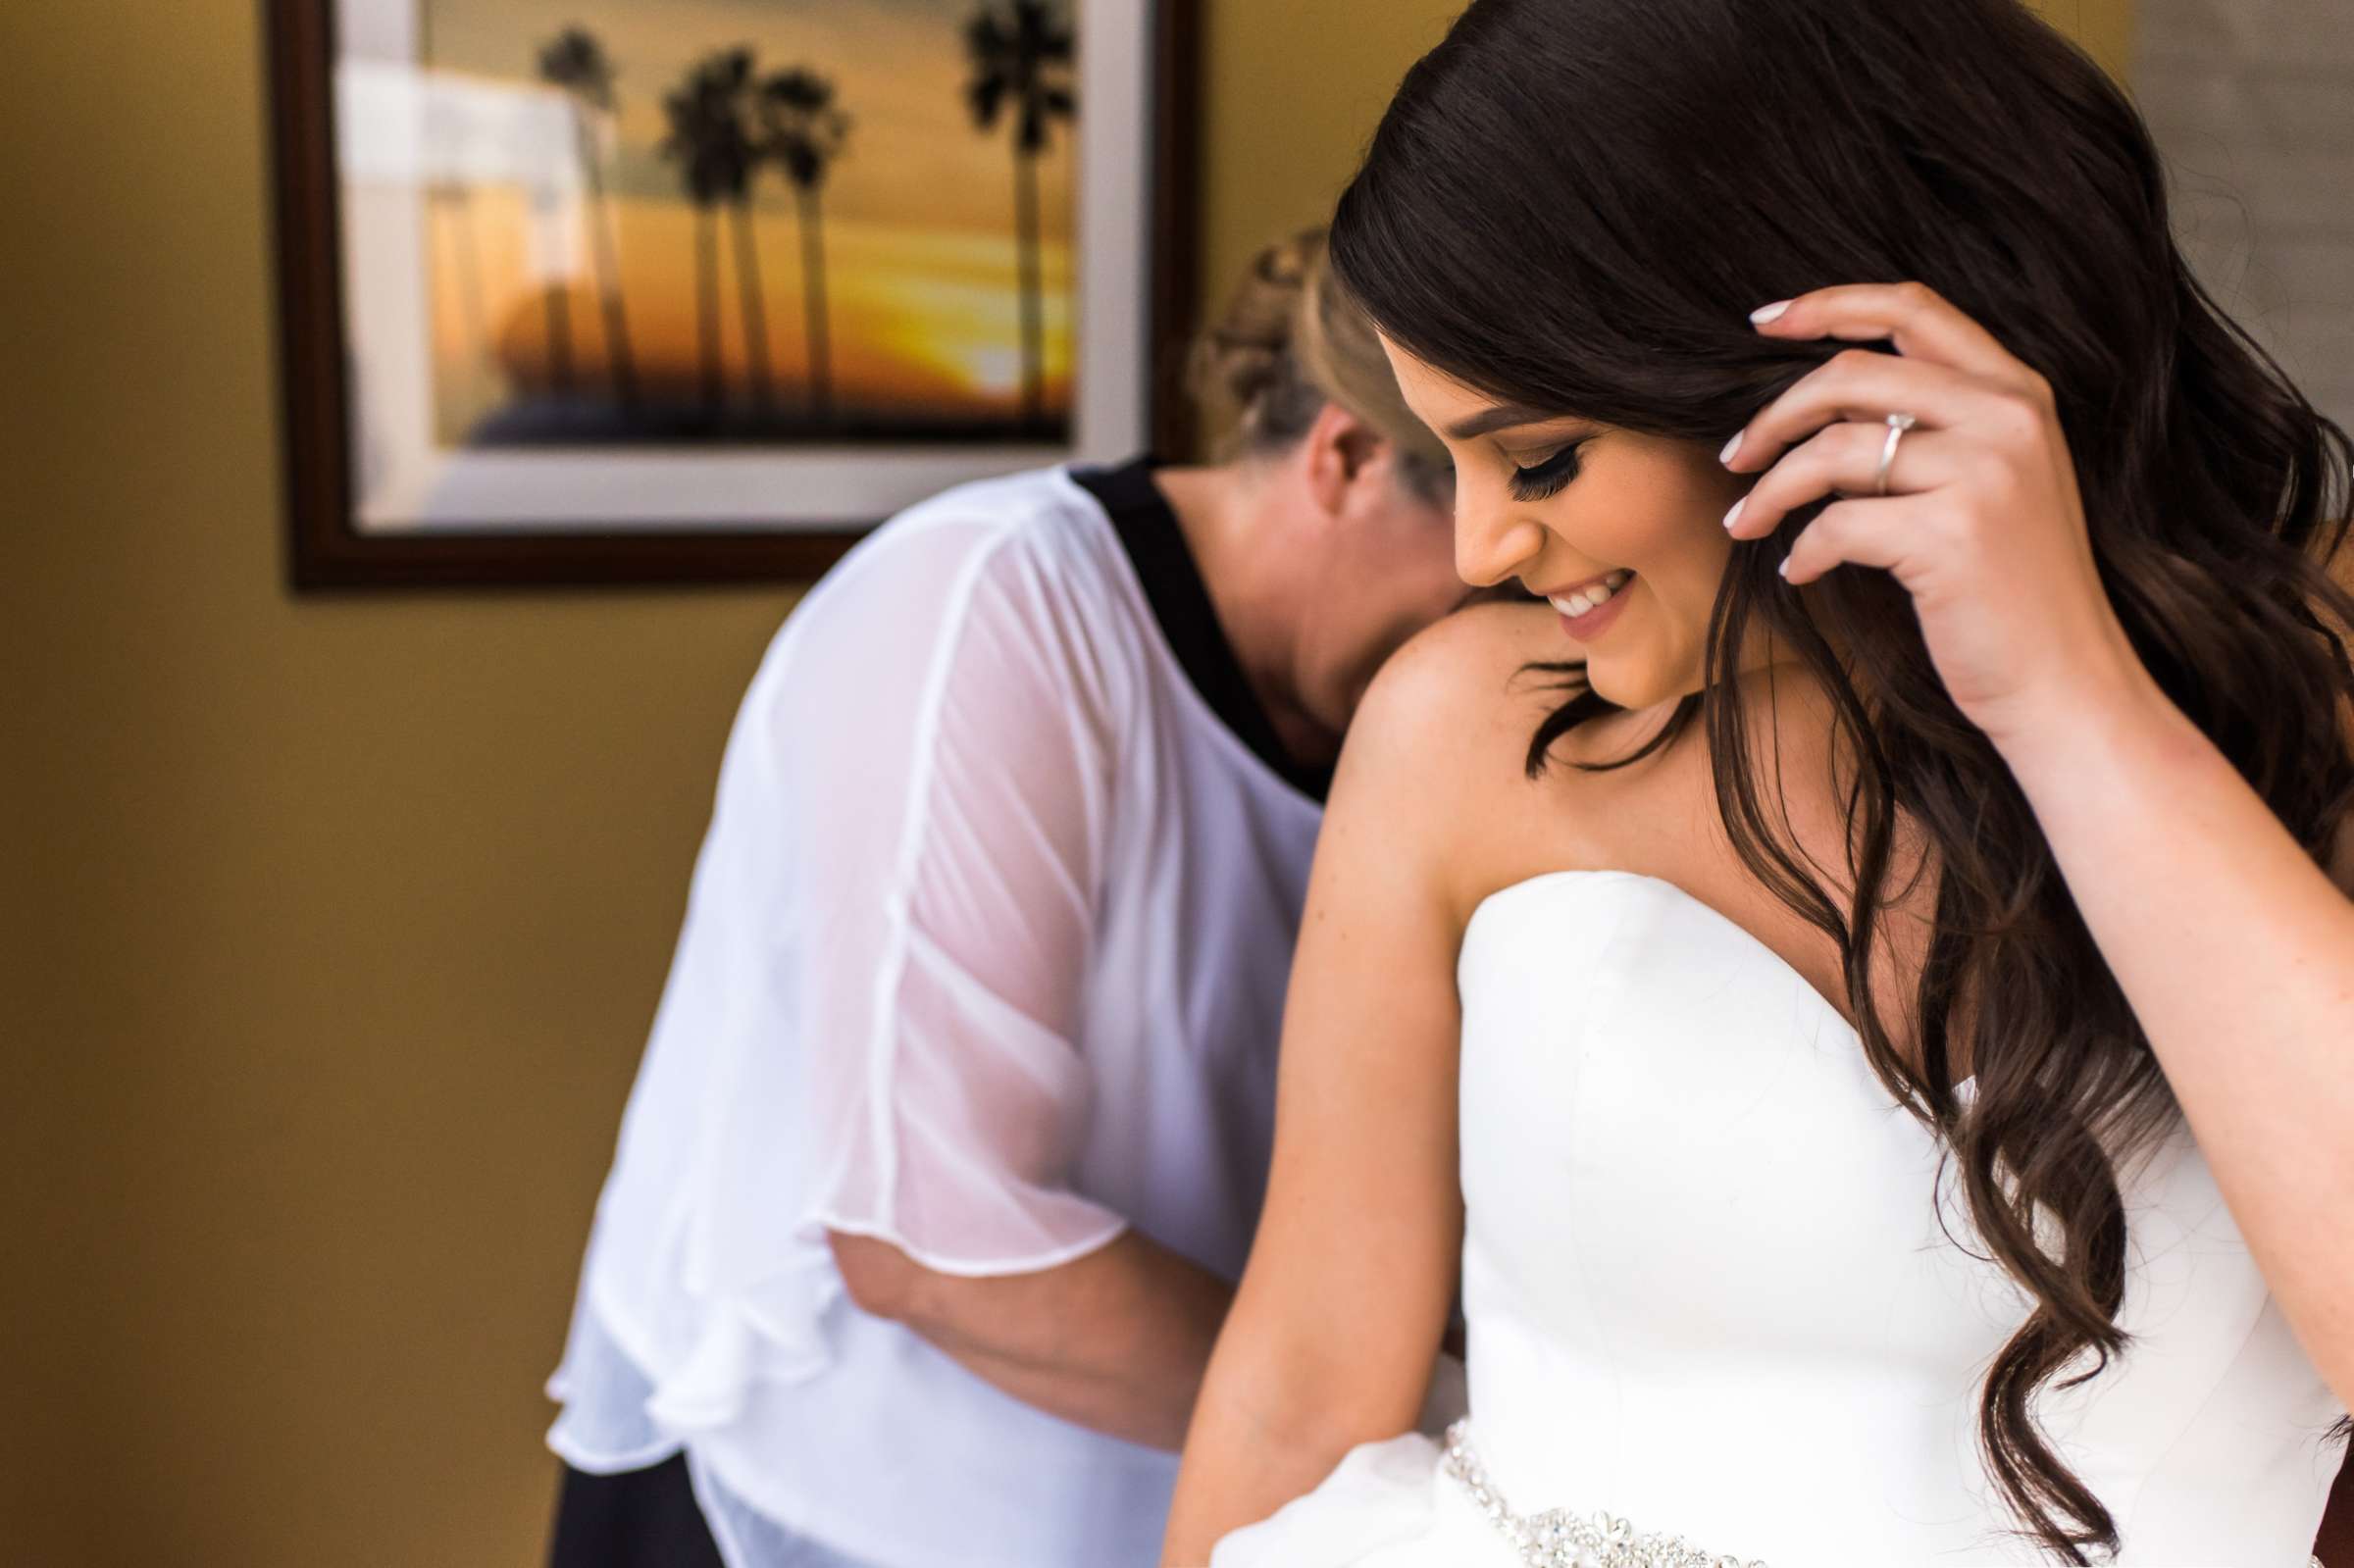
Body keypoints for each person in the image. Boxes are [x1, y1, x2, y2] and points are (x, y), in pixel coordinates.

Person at [1160, 2, 2354, 1564]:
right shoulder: (1460, 725)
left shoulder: (2309, 697)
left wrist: (2068, 697)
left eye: (1536, 458)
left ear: (1814, 361)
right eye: (1443, 457)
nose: (1475, 553)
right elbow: (1302, 1385)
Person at [540, 228, 1471, 1568]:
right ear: (1348, 457)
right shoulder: (1000, 606)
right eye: (1489, 557)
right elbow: (929, 1238)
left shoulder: (1408, 723)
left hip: (1172, 1506)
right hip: (820, 1506)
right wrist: (1426, 1420)